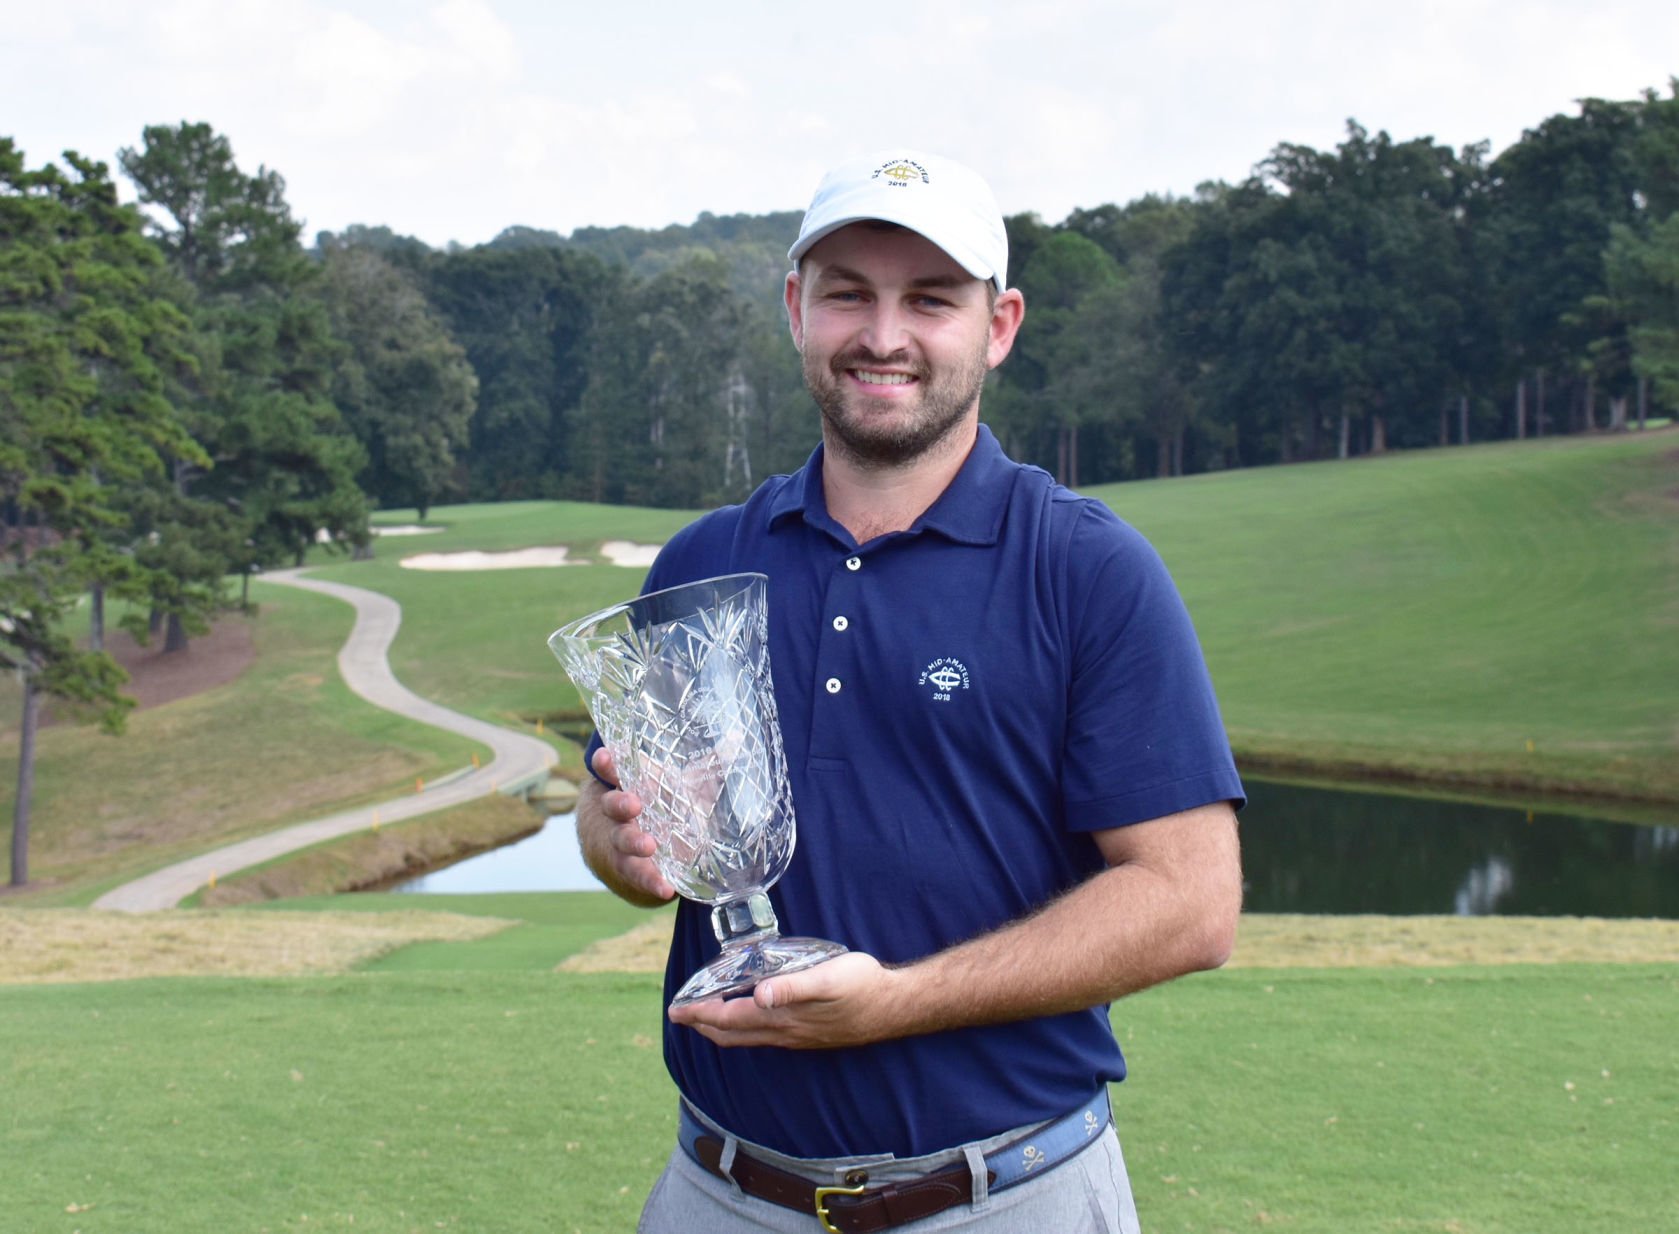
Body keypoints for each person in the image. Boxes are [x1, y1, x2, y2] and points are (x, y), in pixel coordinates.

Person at [576, 149, 1245, 1233]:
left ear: (999, 325)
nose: (883, 336)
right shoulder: (698, 562)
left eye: (929, 300)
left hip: (1002, 1195)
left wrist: (892, 1004)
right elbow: (613, 826)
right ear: (797, 307)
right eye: (848, 293)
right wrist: (620, 842)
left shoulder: (1084, 569)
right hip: (721, 1192)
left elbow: (1189, 903)